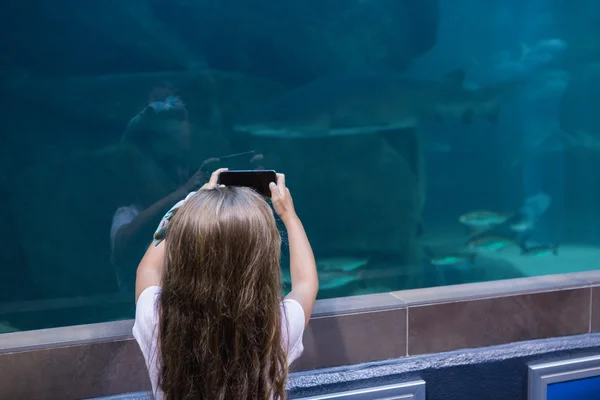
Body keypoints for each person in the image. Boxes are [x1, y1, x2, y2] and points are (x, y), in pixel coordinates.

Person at [133, 168, 319, 400]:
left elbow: (148, 268)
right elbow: (305, 284)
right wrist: (289, 215)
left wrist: (189, 204)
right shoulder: (277, 327)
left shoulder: (156, 317)